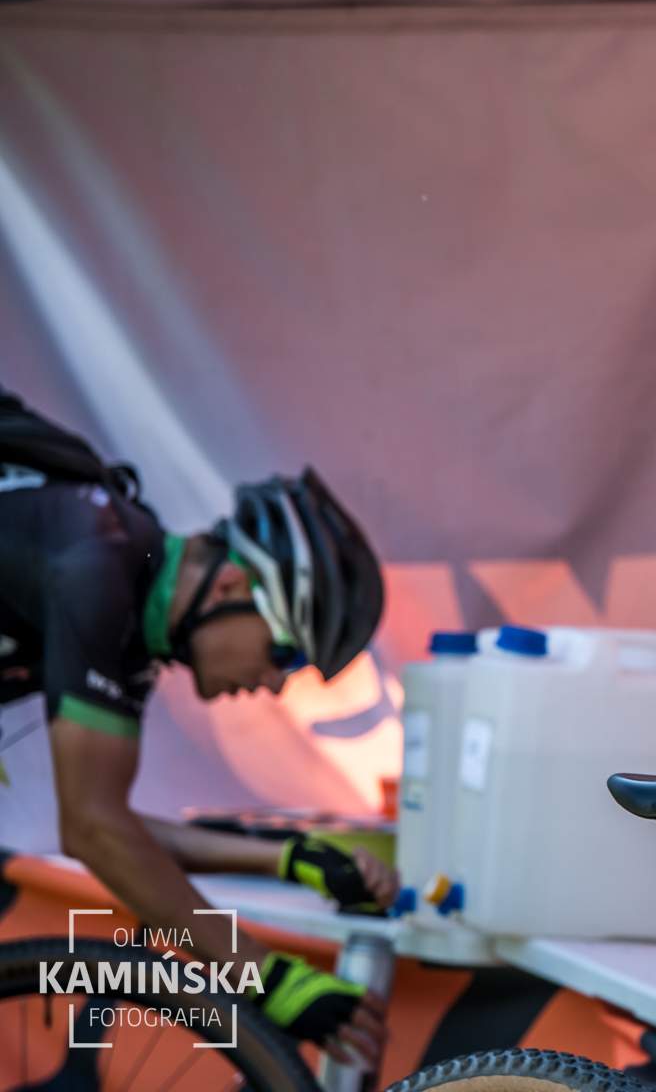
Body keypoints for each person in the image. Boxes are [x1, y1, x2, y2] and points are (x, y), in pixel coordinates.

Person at [0, 397, 394, 1069]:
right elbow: (93, 832)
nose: (275, 685)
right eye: (284, 655)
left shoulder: (130, 598)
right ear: (232, 586)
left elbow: (112, 827)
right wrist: (263, 974)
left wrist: (289, 858)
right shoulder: (98, 564)